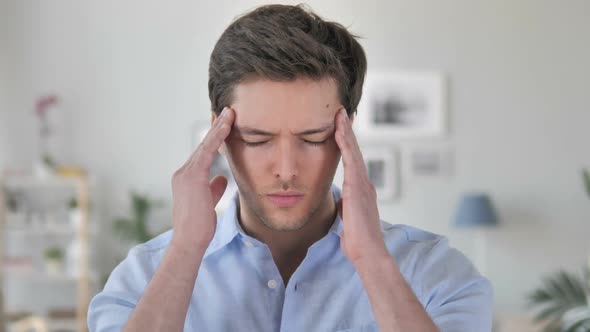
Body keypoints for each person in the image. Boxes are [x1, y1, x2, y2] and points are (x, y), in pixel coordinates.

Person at [88, 4, 492, 332]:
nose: (286, 169)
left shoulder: (438, 276)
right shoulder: (143, 279)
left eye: (313, 139)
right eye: (258, 139)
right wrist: (184, 252)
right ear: (219, 133)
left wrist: (372, 259)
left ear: (346, 130)